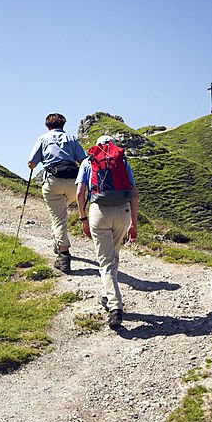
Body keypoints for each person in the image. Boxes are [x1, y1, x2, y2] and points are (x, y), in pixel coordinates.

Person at [75, 135, 138, 329]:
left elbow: (79, 193)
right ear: (111, 146)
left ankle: (115, 306)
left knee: (105, 261)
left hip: (99, 212)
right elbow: (134, 193)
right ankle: (108, 292)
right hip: (122, 212)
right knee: (113, 256)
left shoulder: (88, 161)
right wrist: (133, 224)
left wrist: (83, 218)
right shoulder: (122, 161)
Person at [27, 114, 87, 273]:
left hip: (53, 181)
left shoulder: (43, 139)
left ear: (47, 125)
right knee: (60, 215)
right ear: (63, 125)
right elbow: (83, 160)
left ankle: (64, 255)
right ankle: (58, 242)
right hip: (73, 183)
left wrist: (35, 163)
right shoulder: (71, 139)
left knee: (58, 218)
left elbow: (31, 163)